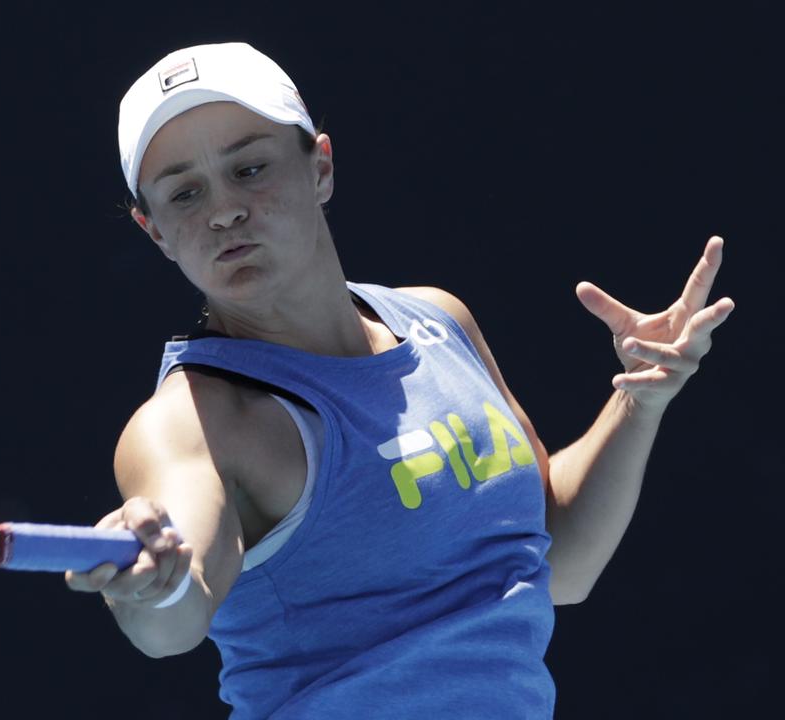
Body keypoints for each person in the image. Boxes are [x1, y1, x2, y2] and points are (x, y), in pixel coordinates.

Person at [65, 42, 734, 718]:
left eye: (250, 167)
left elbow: (559, 560)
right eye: (185, 192)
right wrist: (153, 587)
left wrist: (640, 401)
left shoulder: (441, 319)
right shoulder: (189, 423)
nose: (223, 211)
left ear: (319, 166)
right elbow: (176, 615)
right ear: (155, 232)